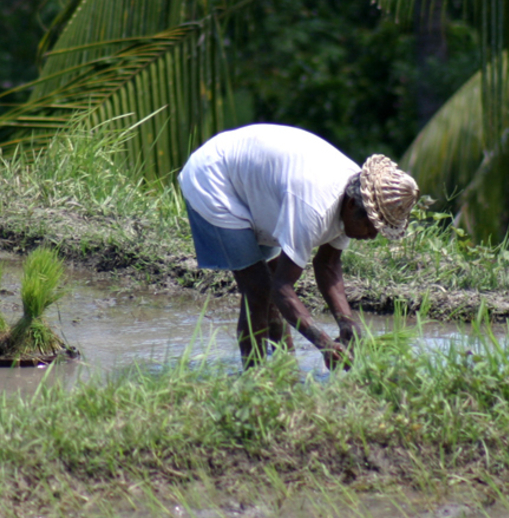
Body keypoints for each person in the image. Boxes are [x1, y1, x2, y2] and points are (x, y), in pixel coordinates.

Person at [178, 124, 420, 370]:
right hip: (214, 178)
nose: (371, 237)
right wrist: (323, 342)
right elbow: (281, 288)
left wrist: (348, 323)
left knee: (268, 282)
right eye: (371, 227)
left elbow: (327, 265)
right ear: (351, 207)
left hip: (254, 182)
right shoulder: (315, 207)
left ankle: (287, 371)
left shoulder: (356, 192)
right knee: (259, 288)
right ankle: (255, 381)